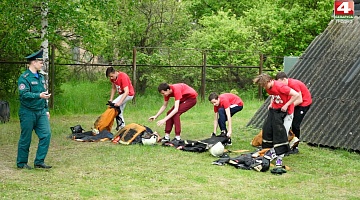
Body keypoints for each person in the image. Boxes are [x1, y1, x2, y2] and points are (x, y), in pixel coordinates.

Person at [253, 73, 300, 174]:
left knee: (281, 136)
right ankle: (269, 151)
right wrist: (271, 104)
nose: (265, 88)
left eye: (265, 85)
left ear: (270, 81)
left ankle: (280, 158)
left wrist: (287, 105)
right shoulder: (268, 87)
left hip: (287, 113)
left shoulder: (281, 86)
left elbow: (296, 95)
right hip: (276, 112)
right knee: (269, 131)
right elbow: (273, 95)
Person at [17, 49, 52, 169]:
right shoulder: (24, 78)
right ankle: (21, 163)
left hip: (40, 111)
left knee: (46, 135)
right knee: (26, 138)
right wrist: (39, 95)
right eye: (40, 61)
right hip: (27, 112)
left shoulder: (41, 77)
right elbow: (24, 94)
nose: (42, 63)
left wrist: (46, 109)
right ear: (33, 62)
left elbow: (43, 93)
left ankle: (39, 162)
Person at [275, 72, 312, 153]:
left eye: (280, 82)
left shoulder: (293, 84)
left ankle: (295, 147)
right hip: (294, 103)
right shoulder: (285, 85)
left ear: (284, 79)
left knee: (295, 125)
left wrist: (287, 106)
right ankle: (286, 143)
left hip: (303, 104)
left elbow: (299, 100)